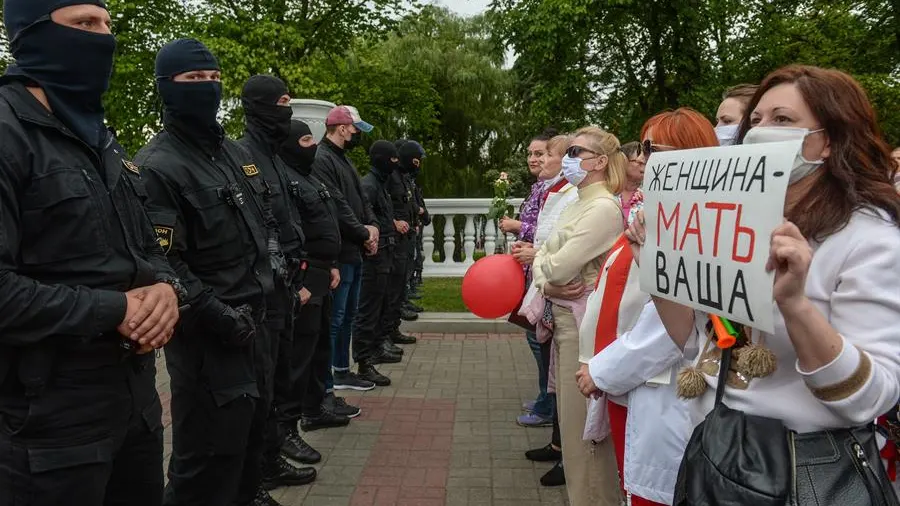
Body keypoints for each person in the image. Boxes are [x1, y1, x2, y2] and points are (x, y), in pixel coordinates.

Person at [629, 65, 900, 504]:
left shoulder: (868, 239)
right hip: (715, 450)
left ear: (827, 141)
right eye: (755, 120)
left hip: (803, 472)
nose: (759, 131)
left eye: (783, 120)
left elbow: (870, 398)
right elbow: (690, 337)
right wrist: (657, 268)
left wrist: (795, 304)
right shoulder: (733, 220)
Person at [0, 2, 182, 504]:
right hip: (47, 428)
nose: (104, 38)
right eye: (84, 24)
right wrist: (115, 308)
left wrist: (166, 288)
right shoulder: (8, 132)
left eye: (107, 23)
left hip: (134, 409)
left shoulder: (100, 137)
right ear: (31, 34)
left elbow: (145, 244)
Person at [135, 38, 275, 506]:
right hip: (208, 342)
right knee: (207, 465)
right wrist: (215, 313)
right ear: (166, 87)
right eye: (195, 80)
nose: (208, 88)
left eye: (214, 79)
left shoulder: (232, 153)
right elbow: (162, 261)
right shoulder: (159, 166)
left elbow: (263, 222)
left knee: (250, 451)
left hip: (255, 327)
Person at [574, 109, 718, 506]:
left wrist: (602, 371)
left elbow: (671, 327)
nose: (643, 160)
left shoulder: (695, 224)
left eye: (655, 149)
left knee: (660, 492)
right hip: (631, 384)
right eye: (645, 147)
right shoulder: (655, 214)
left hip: (655, 384)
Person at [530, 126, 626, 506]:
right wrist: (545, 275)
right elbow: (543, 261)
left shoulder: (602, 207)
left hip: (583, 328)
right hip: (567, 321)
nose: (567, 159)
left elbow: (556, 266)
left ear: (600, 162)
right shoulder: (577, 201)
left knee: (584, 435)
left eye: (576, 152)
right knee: (573, 433)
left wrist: (545, 271)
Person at [238, 75, 317, 495]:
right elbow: (257, 229)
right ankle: (262, 468)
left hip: (285, 287)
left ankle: (270, 457)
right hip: (263, 293)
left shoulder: (273, 154)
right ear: (260, 106)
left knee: (279, 378)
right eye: (282, 102)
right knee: (262, 387)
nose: (287, 111)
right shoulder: (241, 155)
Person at [276, 120, 348, 458]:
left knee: (320, 349)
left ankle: (315, 409)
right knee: (299, 358)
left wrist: (331, 263)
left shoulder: (310, 177)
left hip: (323, 273)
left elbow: (327, 220)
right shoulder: (284, 180)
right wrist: (300, 281)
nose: (312, 146)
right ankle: (286, 430)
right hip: (304, 278)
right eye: (305, 139)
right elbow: (288, 234)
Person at [517, 134, 576, 487]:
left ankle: (570, 454)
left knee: (566, 381)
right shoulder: (557, 191)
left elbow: (560, 250)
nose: (541, 160)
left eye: (548, 153)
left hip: (568, 298)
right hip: (549, 290)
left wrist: (539, 260)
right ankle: (558, 443)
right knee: (554, 370)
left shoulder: (579, 196)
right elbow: (546, 240)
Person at [312, 105, 380, 411]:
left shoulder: (343, 159)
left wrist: (373, 228)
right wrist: (363, 233)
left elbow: (360, 200)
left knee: (347, 316)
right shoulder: (322, 159)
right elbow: (335, 205)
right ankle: (326, 382)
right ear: (342, 128)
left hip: (354, 248)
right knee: (335, 320)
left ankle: (341, 371)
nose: (356, 134)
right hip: (340, 250)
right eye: (354, 129)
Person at [504, 129, 556, 428]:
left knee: (540, 340)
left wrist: (517, 226)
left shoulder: (558, 189)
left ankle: (547, 404)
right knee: (534, 337)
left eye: (542, 153)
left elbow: (544, 231)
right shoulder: (540, 186)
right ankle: (543, 398)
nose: (535, 159)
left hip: (543, 272)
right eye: (532, 153)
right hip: (531, 269)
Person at [353, 141, 404, 387]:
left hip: (384, 254)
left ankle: (374, 348)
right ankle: (364, 361)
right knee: (368, 309)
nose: (395, 163)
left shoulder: (379, 184)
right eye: (392, 159)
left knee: (380, 304)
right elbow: (364, 215)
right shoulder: (369, 185)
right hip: (374, 256)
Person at [381, 140, 424, 350]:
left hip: (406, 242)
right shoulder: (390, 177)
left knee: (399, 289)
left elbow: (409, 204)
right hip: (393, 242)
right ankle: (384, 335)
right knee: (390, 291)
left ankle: (393, 328)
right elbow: (381, 206)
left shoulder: (404, 178)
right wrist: (393, 223)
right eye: (416, 159)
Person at [396, 140, 428, 318]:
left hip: (409, 230)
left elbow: (412, 200)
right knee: (401, 273)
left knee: (409, 265)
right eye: (416, 161)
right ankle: (400, 304)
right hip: (400, 234)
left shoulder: (406, 179)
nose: (418, 165)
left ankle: (403, 300)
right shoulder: (396, 177)